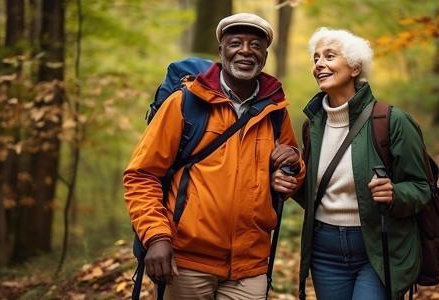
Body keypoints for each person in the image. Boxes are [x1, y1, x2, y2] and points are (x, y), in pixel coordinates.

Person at [123, 13, 305, 300]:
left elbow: (291, 171)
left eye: (255, 45)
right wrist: (156, 236)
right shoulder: (184, 103)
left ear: (265, 55)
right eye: (236, 43)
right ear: (221, 50)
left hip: (251, 265)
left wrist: (291, 165)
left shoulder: (275, 110)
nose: (246, 51)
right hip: (187, 263)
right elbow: (142, 175)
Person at [286, 27, 432, 300]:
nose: (319, 64)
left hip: (378, 248)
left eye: (330, 56)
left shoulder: (391, 121)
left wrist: (395, 193)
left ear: (354, 67)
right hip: (324, 252)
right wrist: (290, 181)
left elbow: (422, 187)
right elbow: (314, 193)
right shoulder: (312, 125)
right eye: (316, 58)